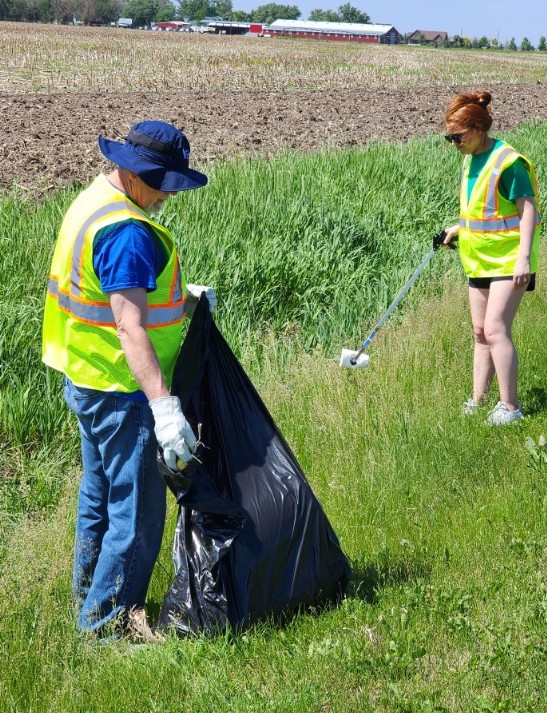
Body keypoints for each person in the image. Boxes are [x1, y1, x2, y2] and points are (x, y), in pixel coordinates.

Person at [42, 121, 217, 639]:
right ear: (136, 173)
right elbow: (127, 323)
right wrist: (164, 407)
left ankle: (88, 600)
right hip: (123, 392)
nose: (166, 195)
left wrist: (184, 301)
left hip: (86, 377)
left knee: (99, 495)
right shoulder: (129, 231)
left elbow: (109, 296)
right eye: (162, 183)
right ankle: (108, 626)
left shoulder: (96, 199)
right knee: (137, 514)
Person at [442, 91, 541, 425]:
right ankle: (477, 399)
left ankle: (510, 407)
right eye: (449, 137)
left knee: (497, 328)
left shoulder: (508, 162)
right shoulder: (471, 157)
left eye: (458, 136)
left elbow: (528, 212)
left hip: (510, 260)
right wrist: (457, 229)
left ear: (479, 128)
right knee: (480, 331)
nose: (453, 143)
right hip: (479, 258)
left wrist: (524, 259)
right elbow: (486, 209)